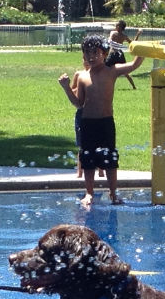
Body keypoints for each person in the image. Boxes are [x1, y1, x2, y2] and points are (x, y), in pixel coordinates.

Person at [58, 34, 136, 207]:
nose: (91, 56)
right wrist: (66, 88)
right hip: (88, 123)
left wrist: (140, 50)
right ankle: (89, 193)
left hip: (106, 122)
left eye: (95, 52)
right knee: (88, 160)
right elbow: (78, 103)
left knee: (110, 160)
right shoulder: (84, 77)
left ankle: (113, 193)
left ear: (105, 53)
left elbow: (134, 65)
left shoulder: (112, 71)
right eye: (87, 53)